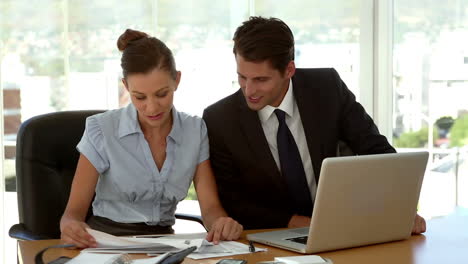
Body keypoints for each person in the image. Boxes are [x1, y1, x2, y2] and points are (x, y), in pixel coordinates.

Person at [202, 16, 426, 234]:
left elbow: (377, 150)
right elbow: (233, 200)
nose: (248, 91)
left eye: (261, 80)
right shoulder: (220, 119)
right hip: (267, 235)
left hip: (341, 228)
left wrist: (401, 209)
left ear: (289, 70)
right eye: (242, 77)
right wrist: (294, 222)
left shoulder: (327, 88)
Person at [60, 29, 243, 248]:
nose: (152, 107)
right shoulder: (102, 129)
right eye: (140, 97)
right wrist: (70, 226)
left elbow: (211, 209)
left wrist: (222, 223)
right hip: (106, 242)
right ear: (126, 87)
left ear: (177, 80)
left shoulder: (195, 130)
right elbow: (72, 214)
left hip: (165, 243)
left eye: (161, 94)